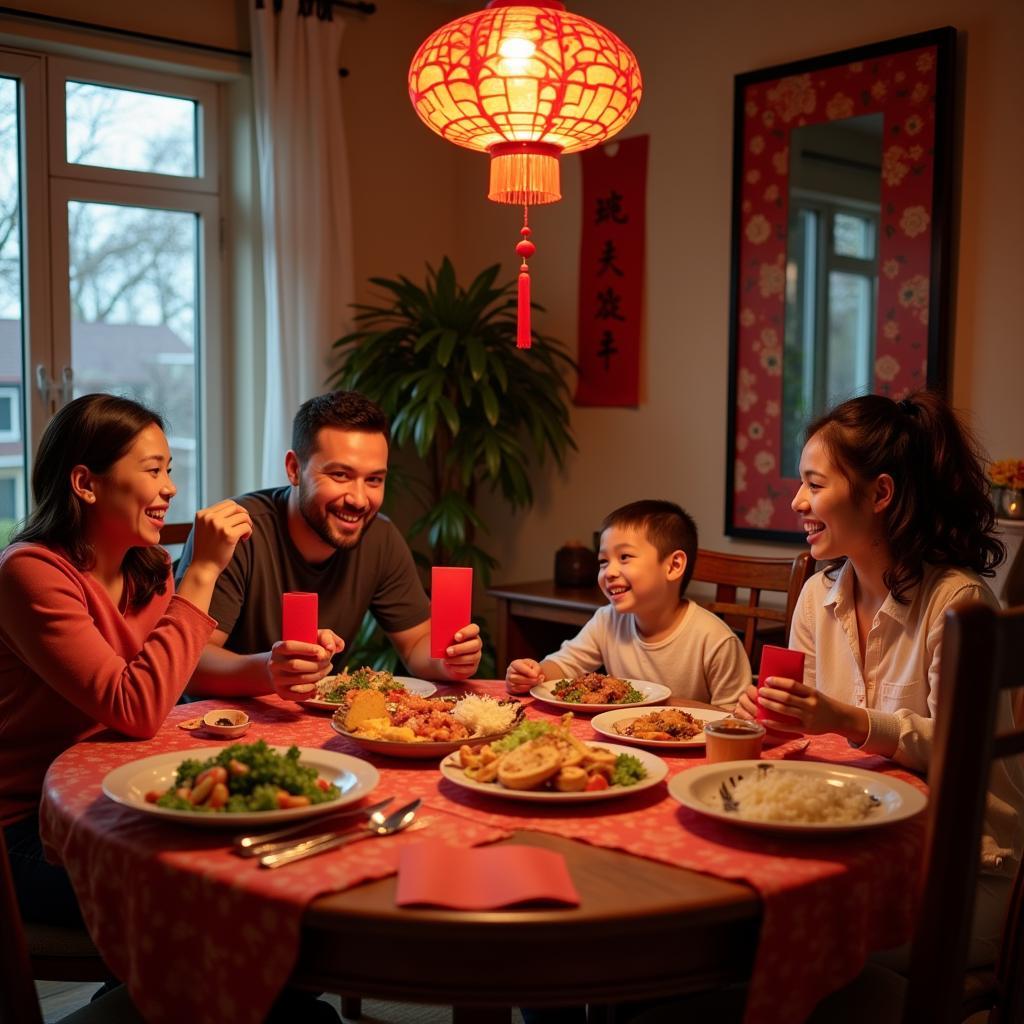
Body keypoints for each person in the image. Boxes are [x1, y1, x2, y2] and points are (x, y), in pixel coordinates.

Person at [733, 391, 1023, 974]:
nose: (796, 501)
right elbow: (808, 734)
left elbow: (958, 754)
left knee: (783, 949)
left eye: (814, 485)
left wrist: (847, 719)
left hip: (965, 873)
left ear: (881, 494)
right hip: (862, 845)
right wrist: (774, 710)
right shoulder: (819, 595)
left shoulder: (958, 603)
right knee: (744, 931)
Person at [0, 394, 252, 926]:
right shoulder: (31, 575)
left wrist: (271, 667)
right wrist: (202, 572)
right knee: (190, 895)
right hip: (25, 825)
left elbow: (176, 669)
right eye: (153, 470)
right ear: (85, 484)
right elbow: (136, 706)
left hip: (115, 792)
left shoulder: (148, 566)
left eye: (170, 470)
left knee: (247, 857)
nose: (170, 488)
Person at [177, 390, 482, 699]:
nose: (360, 499)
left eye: (374, 480)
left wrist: (448, 660)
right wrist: (270, 671)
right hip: (216, 728)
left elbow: (417, 641)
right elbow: (188, 664)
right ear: (295, 469)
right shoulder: (236, 533)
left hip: (313, 725)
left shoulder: (380, 537)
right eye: (340, 475)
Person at [506, 500, 751, 706]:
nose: (609, 572)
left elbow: (733, 720)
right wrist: (533, 674)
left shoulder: (714, 640)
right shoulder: (608, 620)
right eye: (603, 561)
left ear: (673, 566)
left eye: (625, 557)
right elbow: (564, 664)